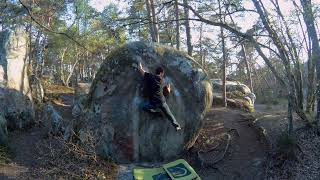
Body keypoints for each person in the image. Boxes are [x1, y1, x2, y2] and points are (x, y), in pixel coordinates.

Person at [137, 62, 181, 131]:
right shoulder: (162, 81)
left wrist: (139, 62)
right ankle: (177, 126)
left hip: (153, 102)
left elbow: (140, 69)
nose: (163, 75)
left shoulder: (150, 76)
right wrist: (169, 88)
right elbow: (168, 91)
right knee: (169, 114)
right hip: (161, 101)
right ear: (161, 73)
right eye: (162, 73)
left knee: (144, 107)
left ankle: (157, 113)